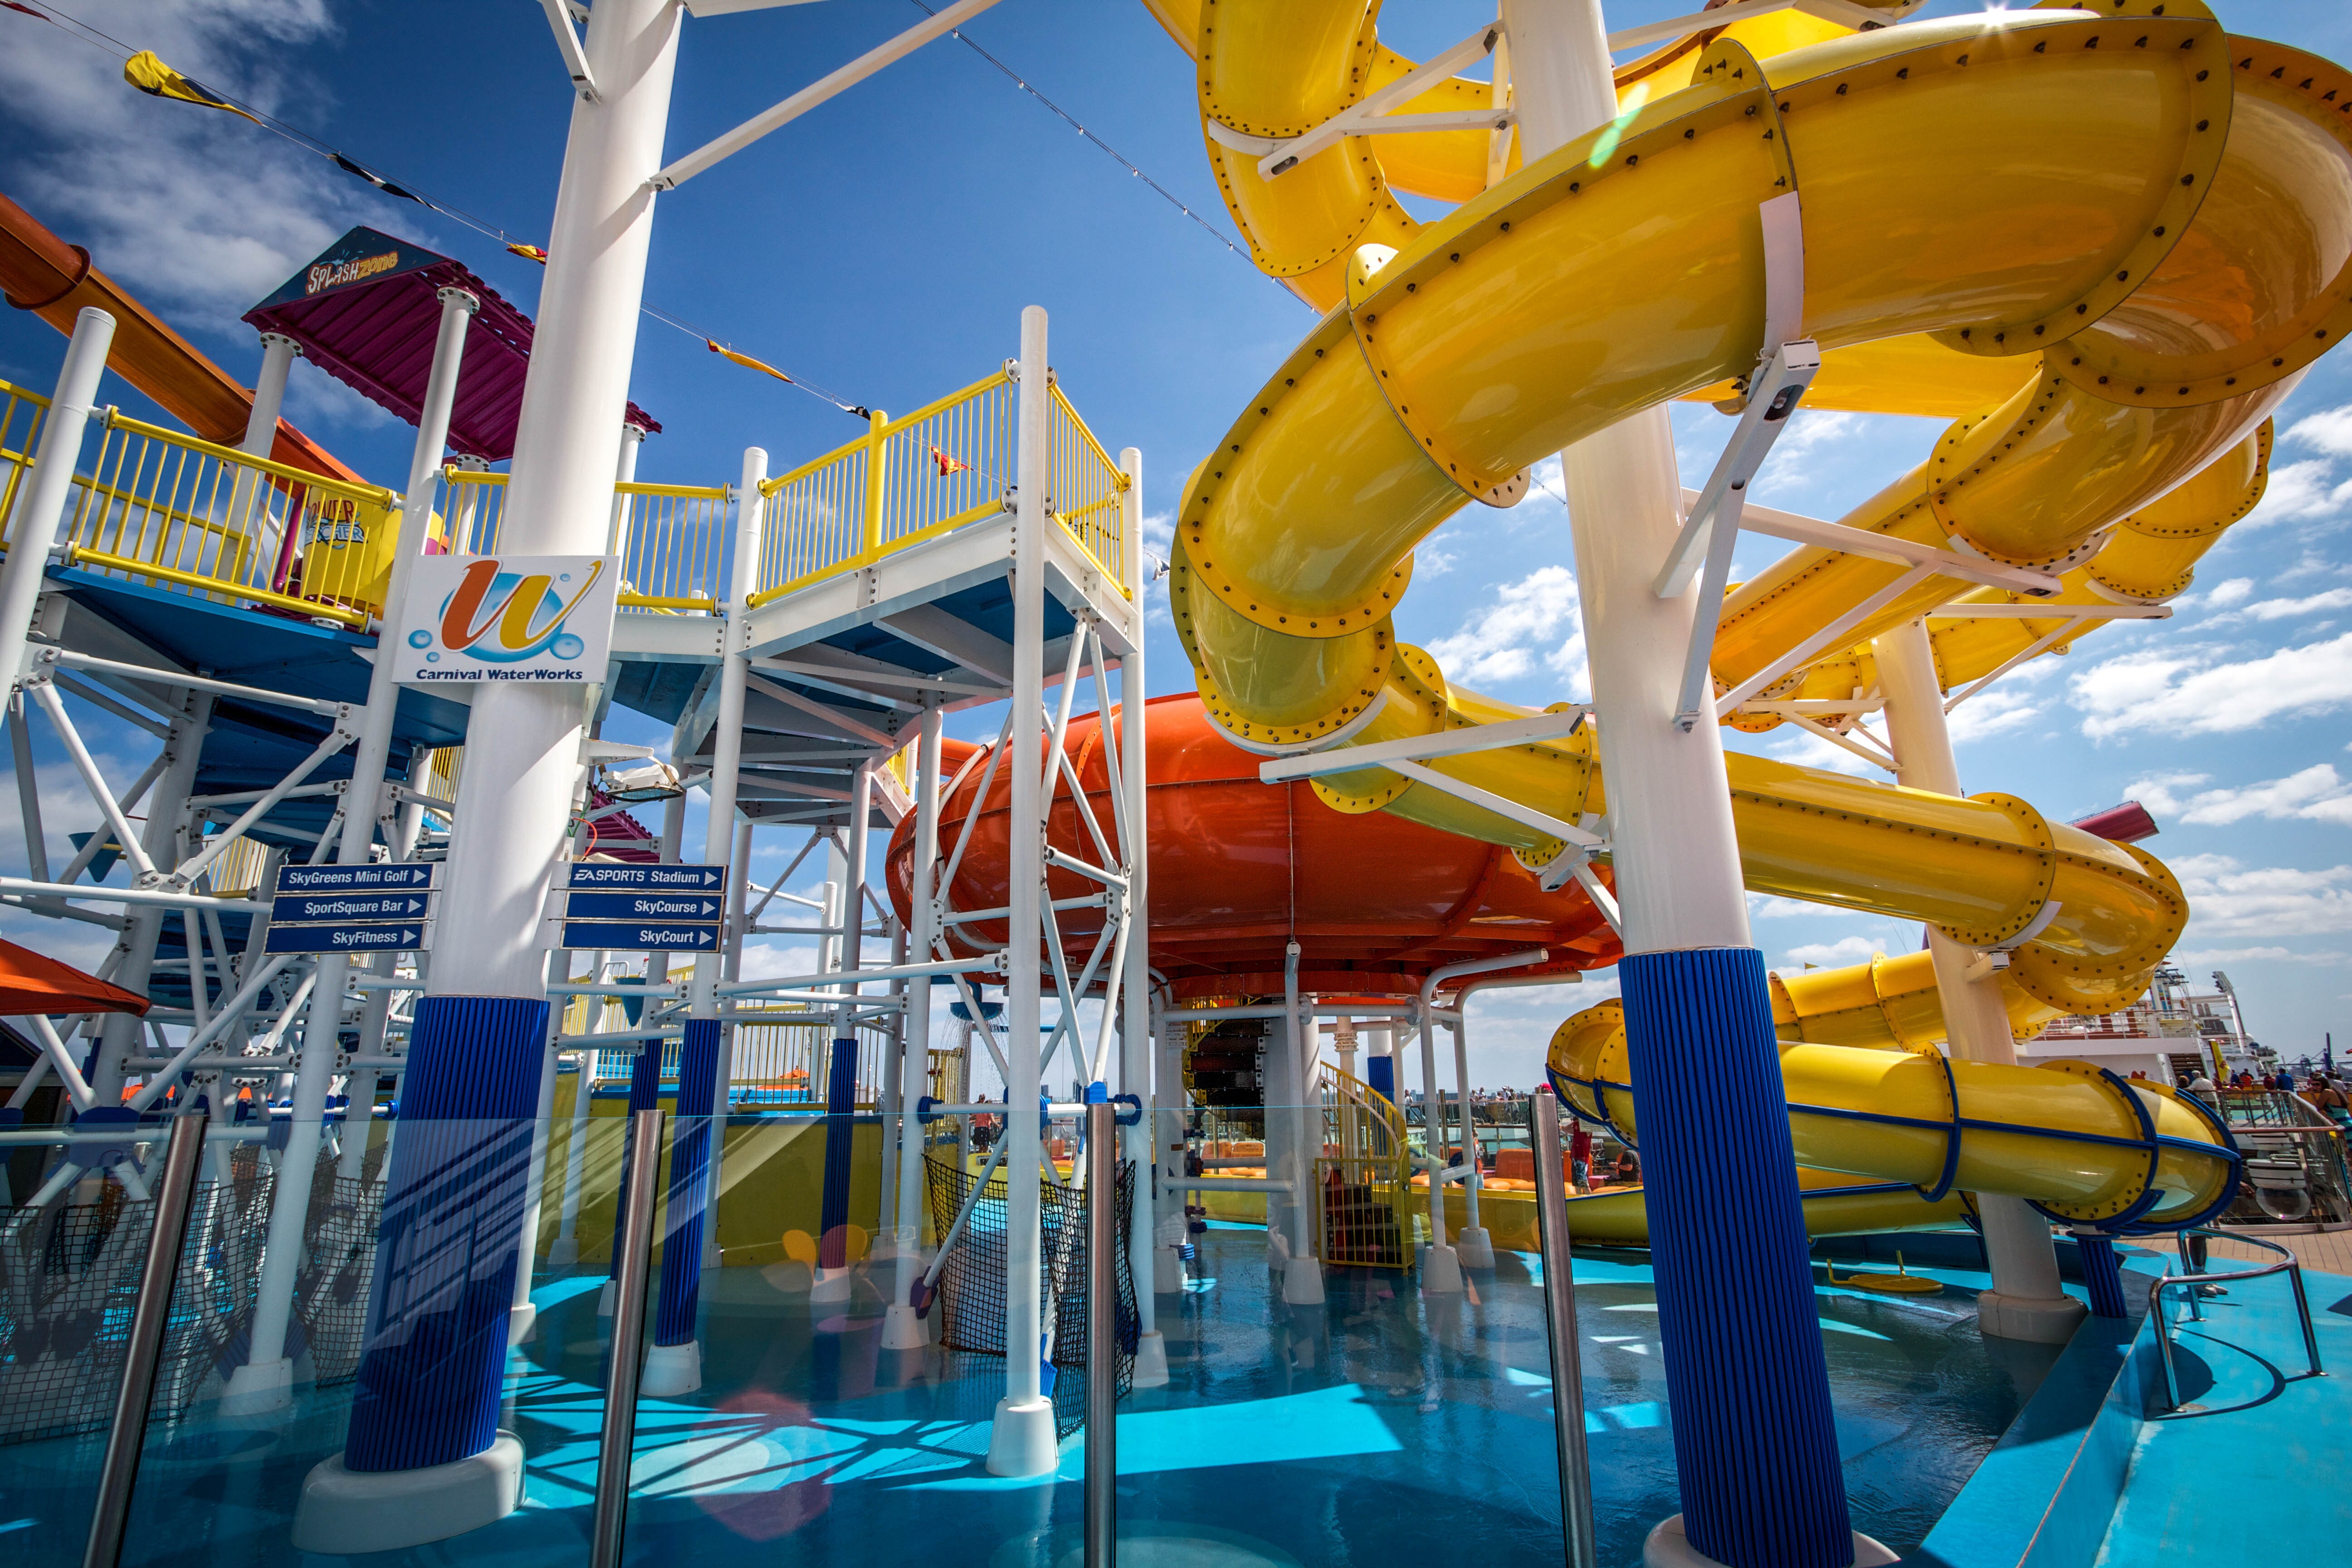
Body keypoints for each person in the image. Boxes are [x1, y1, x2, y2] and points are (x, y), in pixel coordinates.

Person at [1569, 1122, 1593, 1194]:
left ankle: (1590, 1198)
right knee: (1576, 1184)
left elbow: (1590, 1130)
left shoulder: (1587, 1132)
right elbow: (1565, 1129)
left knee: (1583, 1183)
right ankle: (1579, 1197)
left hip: (1582, 1159)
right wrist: (1574, 1124)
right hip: (1575, 1158)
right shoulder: (1576, 1132)